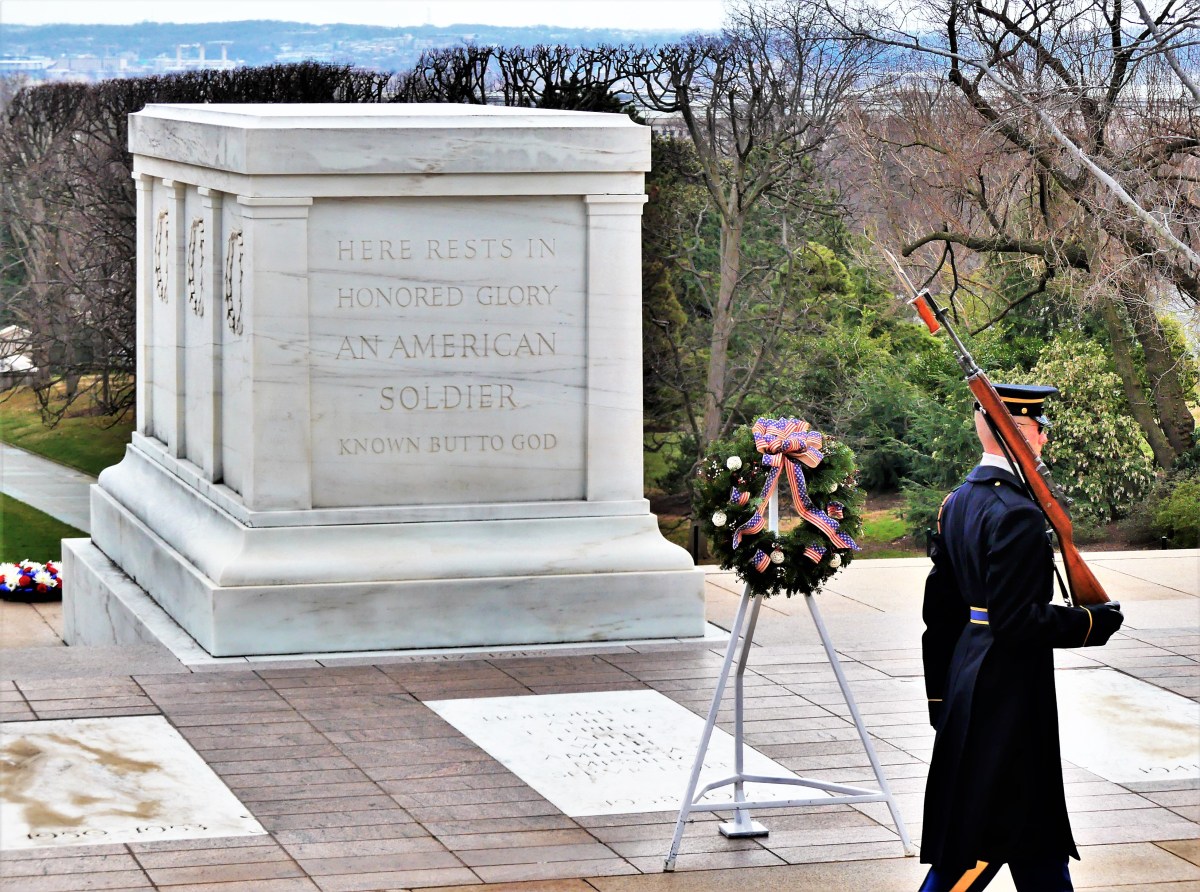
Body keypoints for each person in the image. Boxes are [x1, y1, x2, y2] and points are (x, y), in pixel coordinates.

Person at [919, 383, 1125, 892]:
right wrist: (1091, 624)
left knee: (1031, 836)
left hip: (974, 679)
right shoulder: (1017, 514)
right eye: (1040, 429)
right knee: (981, 840)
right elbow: (1017, 622)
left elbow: (940, 615)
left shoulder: (958, 503)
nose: (1046, 438)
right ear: (1022, 435)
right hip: (1006, 695)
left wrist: (942, 695)